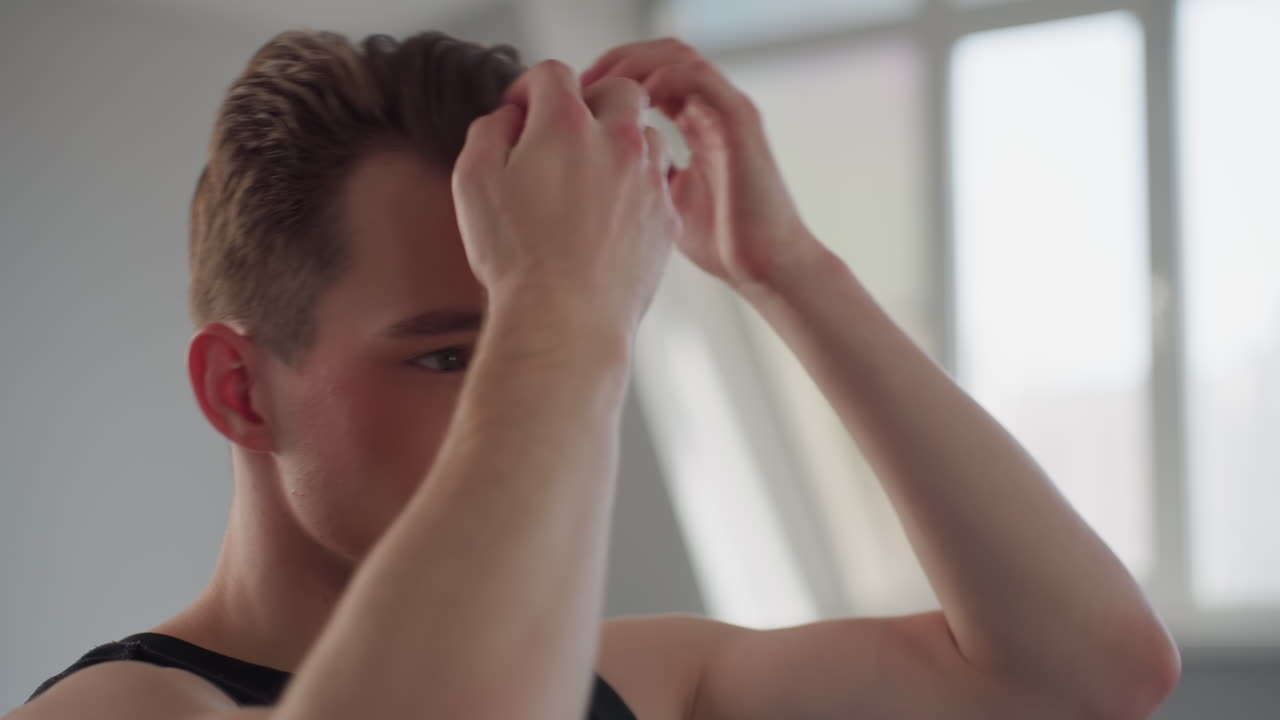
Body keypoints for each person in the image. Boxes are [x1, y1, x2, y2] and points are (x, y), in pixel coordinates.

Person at [8, 27, 1180, 720]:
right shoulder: (125, 711)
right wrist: (559, 308)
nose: (522, 389)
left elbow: (1083, 678)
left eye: (532, 332)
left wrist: (787, 269)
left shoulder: (638, 679)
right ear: (238, 389)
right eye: (447, 353)